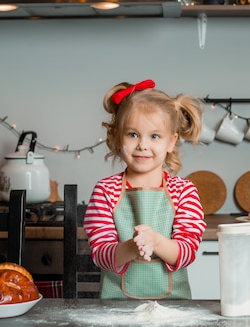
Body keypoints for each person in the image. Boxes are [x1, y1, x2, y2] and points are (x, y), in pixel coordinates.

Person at [84, 79, 206, 300]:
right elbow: (100, 254)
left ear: (171, 142)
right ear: (116, 137)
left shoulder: (184, 191)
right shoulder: (105, 191)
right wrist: (133, 247)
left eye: (154, 136)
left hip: (174, 310)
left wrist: (155, 242)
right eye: (132, 134)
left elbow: (187, 251)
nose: (142, 145)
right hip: (116, 309)